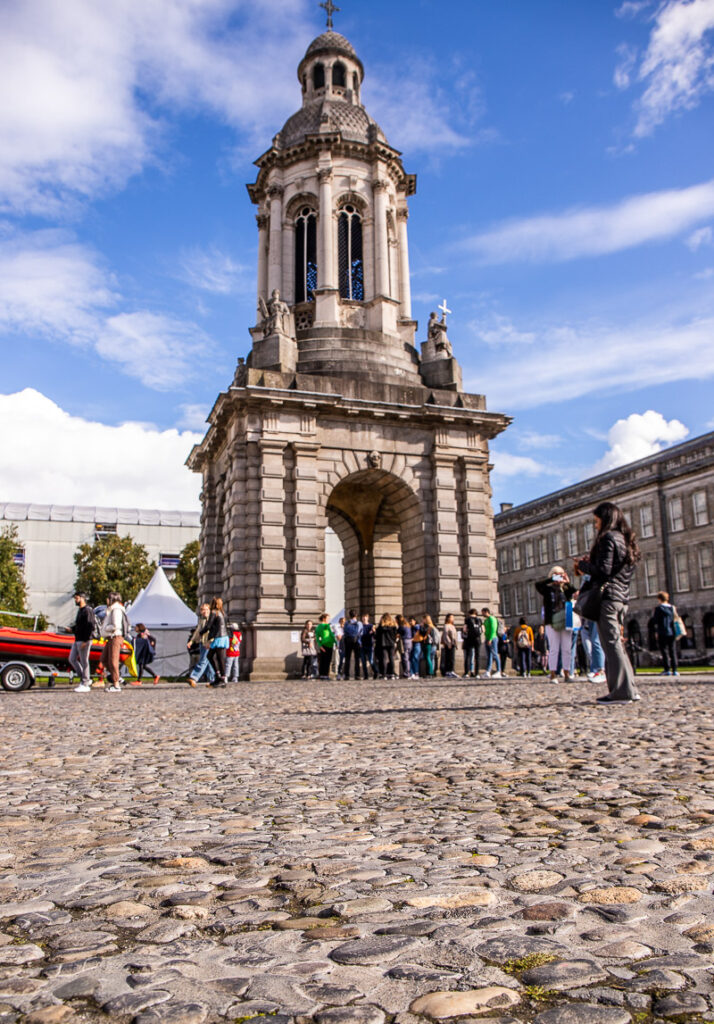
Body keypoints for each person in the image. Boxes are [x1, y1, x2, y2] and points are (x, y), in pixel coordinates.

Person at [574, 501, 641, 705]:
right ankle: (628, 689)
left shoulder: (608, 538)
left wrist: (583, 565)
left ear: (606, 519)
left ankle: (622, 692)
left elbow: (604, 571)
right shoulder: (625, 539)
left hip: (608, 598)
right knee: (615, 645)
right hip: (621, 597)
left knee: (610, 645)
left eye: (596, 521)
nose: (595, 525)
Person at [535, 567, 575, 683]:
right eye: (557, 575)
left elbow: (574, 592)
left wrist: (567, 582)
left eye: (561, 574)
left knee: (567, 648)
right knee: (554, 648)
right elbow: (538, 585)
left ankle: (567, 673)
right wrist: (551, 580)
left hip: (566, 620)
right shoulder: (547, 589)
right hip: (551, 621)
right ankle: (553, 674)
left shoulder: (565, 589)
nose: (559, 577)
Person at [100, 592, 128, 692]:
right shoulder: (111, 610)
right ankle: (116, 676)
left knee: (113, 660)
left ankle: (116, 684)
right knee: (104, 658)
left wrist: (106, 628)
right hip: (110, 637)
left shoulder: (116, 610)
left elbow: (116, 625)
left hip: (115, 636)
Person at [70, 592, 95, 692]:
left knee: (84, 661)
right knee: (72, 659)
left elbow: (90, 626)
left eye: (77, 598)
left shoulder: (87, 610)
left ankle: (85, 682)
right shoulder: (80, 611)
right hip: (77, 639)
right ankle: (84, 678)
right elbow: (80, 625)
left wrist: (86, 640)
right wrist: (72, 629)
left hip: (84, 639)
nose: (75, 600)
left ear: (82, 598)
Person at [187, 603, 215, 688]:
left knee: (203, 660)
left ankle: (194, 677)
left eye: (206, 609)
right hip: (202, 643)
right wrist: (192, 641)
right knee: (208, 663)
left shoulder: (212, 619)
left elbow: (214, 631)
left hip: (209, 643)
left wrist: (210, 642)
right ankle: (213, 680)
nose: (204, 611)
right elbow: (197, 632)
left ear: (209, 610)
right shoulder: (201, 620)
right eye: (202, 609)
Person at [653, 591, 679, 678]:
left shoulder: (658, 608)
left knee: (664, 651)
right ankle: (675, 670)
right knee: (672, 651)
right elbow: (675, 619)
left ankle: (667, 669)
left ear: (659, 599)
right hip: (671, 631)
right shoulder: (672, 608)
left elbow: (656, 621)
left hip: (662, 631)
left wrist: (656, 632)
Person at [206, 597, 228, 688]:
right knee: (216, 657)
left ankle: (221, 677)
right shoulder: (222, 613)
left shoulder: (214, 612)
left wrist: (201, 633)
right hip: (223, 637)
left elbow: (209, 626)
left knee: (216, 657)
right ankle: (219, 676)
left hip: (219, 637)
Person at [580, 618, 605, 684]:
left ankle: (601, 670)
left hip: (598, 615)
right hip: (591, 617)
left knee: (596, 642)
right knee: (593, 644)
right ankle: (594, 670)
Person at [375, 613, 398, 679]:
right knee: (391, 658)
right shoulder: (393, 627)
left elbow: (377, 636)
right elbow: (395, 635)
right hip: (391, 644)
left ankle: (384, 674)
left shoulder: (380, 627)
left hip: (383, 644)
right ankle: (392, 673)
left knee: (384, 659)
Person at [481, 607, 501, 678]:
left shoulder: (492, 619)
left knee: (495, 654)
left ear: (486, 612)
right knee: (489, 655)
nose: (482, 614)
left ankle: (499, 671)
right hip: (487, 638)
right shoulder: (486, 620)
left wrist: (490, 639)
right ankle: (488, 671)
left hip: (493, 638)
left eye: (482, 612)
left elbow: (493, 629)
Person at [342, 610, 363, 680]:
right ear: (356, 615)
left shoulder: (346, 623)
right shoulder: (359, 623)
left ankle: (346, 675)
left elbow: (344, 631)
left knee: (347, 658)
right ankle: (357, 675)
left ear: (349, 615)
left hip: (348, 642)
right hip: (357, 642)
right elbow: (361, 633)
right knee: (357, 659)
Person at [315, 614, 336, 679]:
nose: (329, 620)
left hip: (327, 645)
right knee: (325, 660)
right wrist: (320, 646)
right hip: (326, 645)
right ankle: (324, 674)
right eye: (328, 618)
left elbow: (331, 635)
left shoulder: (323, 626)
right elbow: (318, 637)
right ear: (324, 618)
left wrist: (335, 642)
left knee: (325, 660)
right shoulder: (323, 626)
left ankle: (324, 674)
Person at [462, 609, 482, 678]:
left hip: (469, 639)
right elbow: (482, 629)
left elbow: (464, 629)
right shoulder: (479, 619)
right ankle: (477, 673)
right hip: (478, 639)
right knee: (477, 656)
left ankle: (466, 672)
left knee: (468, 656)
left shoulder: (467, 619)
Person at [359, 614, 375, 680]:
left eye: (365, 617)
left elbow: (374, 635)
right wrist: (359, 643)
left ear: (368, 618)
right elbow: (358, 635)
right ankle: (366, 675)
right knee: (363, 661)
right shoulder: (360, 626)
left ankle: (376, 672)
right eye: (363, 617)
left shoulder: (371, 626)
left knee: (371, 660)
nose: (364, 618)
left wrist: (373, 632)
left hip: (369, 645)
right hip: (362, 645)